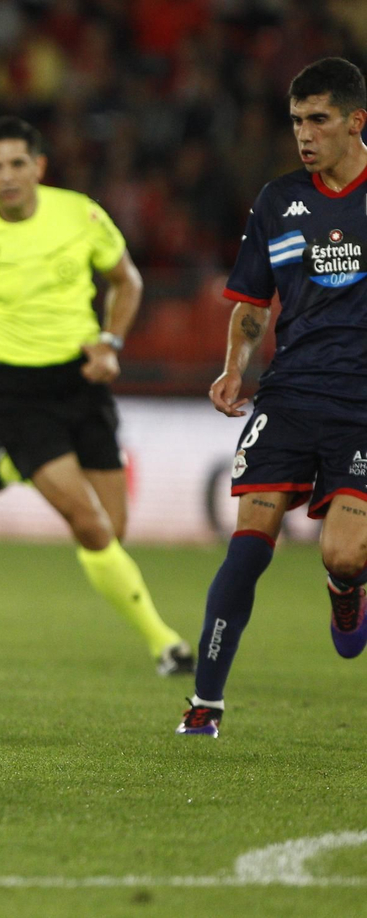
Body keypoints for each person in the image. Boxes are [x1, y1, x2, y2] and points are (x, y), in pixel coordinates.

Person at [0, 116, 193, 677]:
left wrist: (110, 343)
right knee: (91, 527)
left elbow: (127, 281)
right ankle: (165, 645)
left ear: (38, 166)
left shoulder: (79, 214)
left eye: (17, 164)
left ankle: (6, 466)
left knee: (115, 530)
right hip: (17, 392)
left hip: (82, 380)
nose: (7, 176)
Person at [179, 57, 367, 739]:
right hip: (290, 393)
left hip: (361, 406)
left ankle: (347, 592)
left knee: (344, 554)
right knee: (251, 538)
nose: (305, 135)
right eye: (296, 121)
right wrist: (235, 367)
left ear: (356, 121)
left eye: (319, 119)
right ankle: (205, 702)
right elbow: (253, 301)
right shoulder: (278, 200)